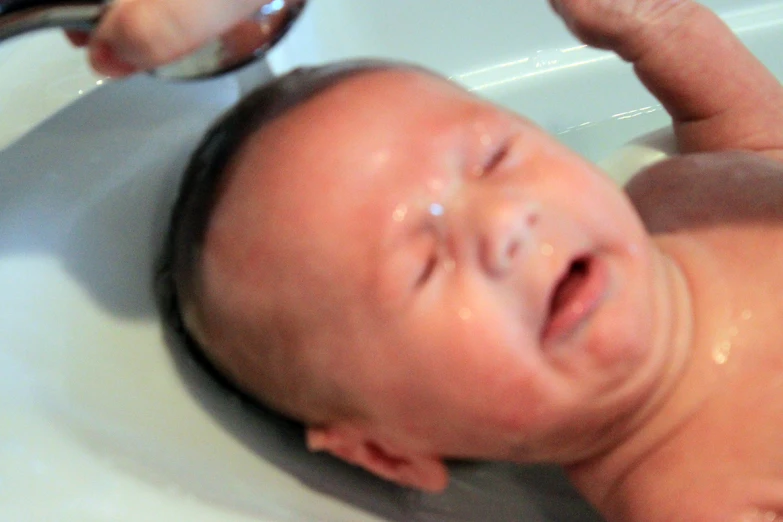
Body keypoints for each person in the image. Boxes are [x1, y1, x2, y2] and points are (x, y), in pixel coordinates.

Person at [156, 1, 783, 521]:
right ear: (394, 453)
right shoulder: (697, 498)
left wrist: (667, 28)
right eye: (423, 267)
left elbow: (763, 148)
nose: (503, 223)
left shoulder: (677, 195)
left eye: (494, 158)